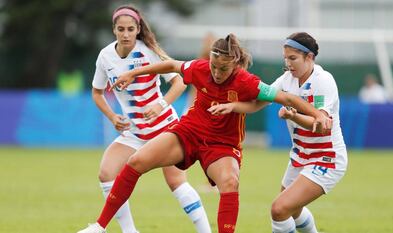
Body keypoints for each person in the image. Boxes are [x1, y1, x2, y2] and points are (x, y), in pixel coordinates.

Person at [77, 33, 332, 233]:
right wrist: (132, 72)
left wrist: (318, 114)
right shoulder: (199, 68)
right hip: (190, 132)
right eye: (213, 66)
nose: (217, 73)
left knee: (230, 182)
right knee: (136, 161)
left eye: (223, 69)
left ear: (234, 65)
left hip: (222, 145)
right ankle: (100, 226)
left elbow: (284, 97)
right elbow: (169, 66)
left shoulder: (247, 82)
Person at [86, 5, 211, 233]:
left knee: (176, 182)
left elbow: (180, 82)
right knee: (106, 173)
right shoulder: (105, 56)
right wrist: (113, 116)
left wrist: (160, 104)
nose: (125, 34)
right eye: (121, 29)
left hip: (166, 129)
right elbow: (97, 92)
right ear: (114, 29)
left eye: (130, 29)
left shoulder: (149, 51)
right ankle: (130, 231)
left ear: (138, 29)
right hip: (134, 132)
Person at [209, 32, 348, 233]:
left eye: (293, 58)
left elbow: (320, 124)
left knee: (279, 209)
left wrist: (294, 117)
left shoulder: (323, 81)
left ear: (309, 57)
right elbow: (258, 103)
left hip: (326, 158)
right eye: (285, 58)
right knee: (293, 210)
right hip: (300, 157)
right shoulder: (286, 80)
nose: (288, 64)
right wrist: (232, 106)